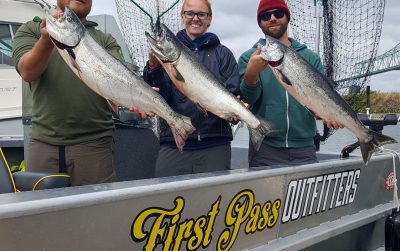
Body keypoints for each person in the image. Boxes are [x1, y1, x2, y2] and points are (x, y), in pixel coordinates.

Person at [12, 0, 124, 186]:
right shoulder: (31, 29)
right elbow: (27, 72)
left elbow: (121, 83)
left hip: (95, 144)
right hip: (44, 142)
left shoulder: (105, 39)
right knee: (41, 211)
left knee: (93, 212)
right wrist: (46, 40)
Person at [142, 0, 241, 177]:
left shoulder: (223, 54)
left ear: (209, 19)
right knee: (167, 199)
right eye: (190, 13)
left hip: (215, 144)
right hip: (174, 143)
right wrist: (153, 67)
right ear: (182, 16)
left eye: (201, 14)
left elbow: (233, 92)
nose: (195, 18)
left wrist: (234, 112)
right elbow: (158, 94)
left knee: (215, 200)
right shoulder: (166, 56)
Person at [238, 0, 342, 167]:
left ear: (287, 16)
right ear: (260, 22)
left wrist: (328, 115)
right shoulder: (248, 57)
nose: (272, 18)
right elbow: (250, 98)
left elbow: (319, 98)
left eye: (278, 13)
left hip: (305, 148)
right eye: (265, 16)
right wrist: (251, 73)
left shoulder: (311, 57)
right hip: (265, 148)